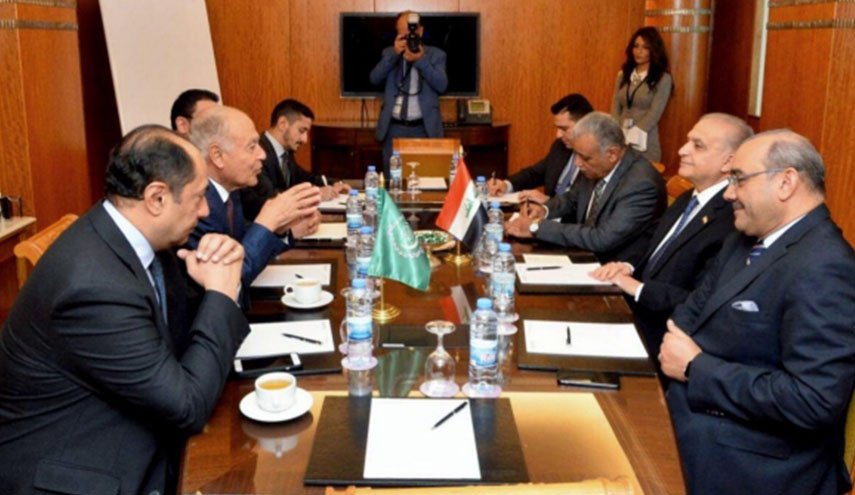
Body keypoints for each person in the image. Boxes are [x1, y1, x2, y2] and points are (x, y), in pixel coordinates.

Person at [0, 125, 249, 495]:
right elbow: (187, 406)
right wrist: (221, 294)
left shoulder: (134, 237)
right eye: (198, 196)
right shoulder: (93, 287)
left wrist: (210, 280)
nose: (206, 209)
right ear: (157, 198)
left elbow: (176, 333)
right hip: (82, 470)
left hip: (128, 426)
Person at [660, 130, 855, 494]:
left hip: (755, 463)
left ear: (786, 182)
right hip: (692, 419)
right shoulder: (743, 238)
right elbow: (687, 317)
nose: (728, 193)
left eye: (738, 179)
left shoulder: (826, 266)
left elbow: (813, 399)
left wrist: (695, 367)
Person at [591, 113, 753, 364]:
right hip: (635, 314)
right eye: (688, 141)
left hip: (665, 337)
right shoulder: (689, 197)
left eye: (698, 145)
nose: (682, 150)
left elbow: (701, 301)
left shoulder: (732, 218)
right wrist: (628, 266)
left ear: (728, 162)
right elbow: (653, 240)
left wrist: (637, 288)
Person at [187, 105, 322, 286]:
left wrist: (281, 229)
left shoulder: (231, 192)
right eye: (252, 147)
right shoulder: (197, 206)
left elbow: (244, 242)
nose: (263, 154)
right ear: (217, 156)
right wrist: (268, 221)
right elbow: (229, 278)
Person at [505, 112, 666, 263]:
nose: (578, 163)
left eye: (584, 158)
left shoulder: (641, 185)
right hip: (583, 253)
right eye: (576, 154)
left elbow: (602, 239)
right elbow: (573, 198)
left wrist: (537, 227)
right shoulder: (597, 164)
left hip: (612, 267)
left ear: (612, 154)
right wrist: (544, 210)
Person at [241, 98, 350, 220]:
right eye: (301, 131)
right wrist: (314, 194)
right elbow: (270, 196)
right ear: (282, 124)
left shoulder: (285, 152)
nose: (305, 139)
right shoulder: (258, 153)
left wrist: (334, 183)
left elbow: (302, 177)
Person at [370, 11, 447, 174]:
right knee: (393, 179)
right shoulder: (389, 53)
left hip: (424, 128)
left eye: (411, 33)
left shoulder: (436, 55)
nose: (408, 38)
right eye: (403, 34)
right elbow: (374, 79)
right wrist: (394, 55)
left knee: (426, 178)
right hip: (394, 128)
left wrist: (421, 60)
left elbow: (442, 85)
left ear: (421, 31)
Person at [487, 93, 594, 204]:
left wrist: (548, 202)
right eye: (558, 128)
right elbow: (535, 174)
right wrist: (506, 185)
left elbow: (584, 208)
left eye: (564, 129)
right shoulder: (560, 147)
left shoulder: (596, 160)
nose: (558, 135)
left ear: (585, 125)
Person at [611, 27, 673, 163]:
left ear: (654, 50)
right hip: (620, 137)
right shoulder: (623, 75)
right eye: (636, 46)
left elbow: (655, 113)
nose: (639, 51)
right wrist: (616, 131)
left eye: (645, 48)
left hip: (645, 139)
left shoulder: (663, 78)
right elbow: (615, 106)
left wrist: (634, 132)